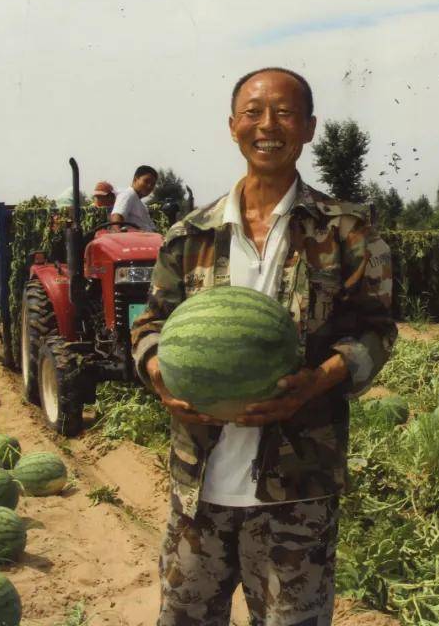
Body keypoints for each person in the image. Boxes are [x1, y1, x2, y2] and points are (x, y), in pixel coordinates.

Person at [131, 67, 397, 626]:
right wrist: (157, 369)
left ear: (309, 128)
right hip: (199, 485)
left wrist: (318, 380)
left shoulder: (347, 231)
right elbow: (149, 323)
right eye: (253, 113)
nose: (267, 125)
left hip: (297, 490)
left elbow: (377, 330)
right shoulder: (189, 235)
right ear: (233, 127)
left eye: (284, 113)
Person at [110, 165, 158, 231]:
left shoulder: (139, 202)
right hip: (134, 239)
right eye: (146, 181)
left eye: (153, 184)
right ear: (136, 179)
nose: (149, 186)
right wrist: (118, 233)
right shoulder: (128, 194)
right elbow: (117, 217)